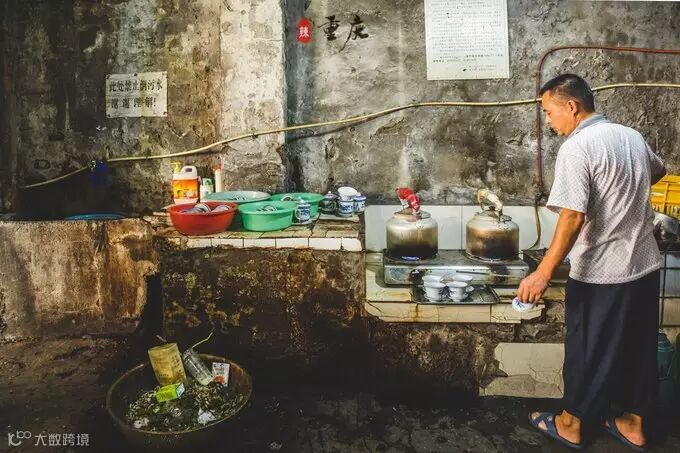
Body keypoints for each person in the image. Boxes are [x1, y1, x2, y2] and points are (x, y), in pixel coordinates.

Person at [518, 74, 666, 450]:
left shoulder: (578, 147)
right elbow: (658, 170)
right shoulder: (630, 136)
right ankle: (634, 423)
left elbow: (572, 217)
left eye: (549, 112)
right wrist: (623, 195)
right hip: (644, 265)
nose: (548, 121)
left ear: (571, 106)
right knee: (638, 346)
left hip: (602, 270)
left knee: (587, 348)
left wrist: (542, 273)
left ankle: (571, 423)